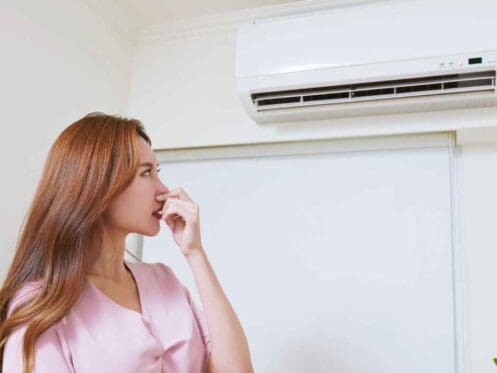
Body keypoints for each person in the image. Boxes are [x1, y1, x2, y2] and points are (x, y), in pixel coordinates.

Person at [0, 112, 253, 373]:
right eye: (146, 173)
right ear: (98, 184)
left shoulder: (164, 281)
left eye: (158, 172)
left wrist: (195, 254)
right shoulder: (42, 304)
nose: (163, 189)